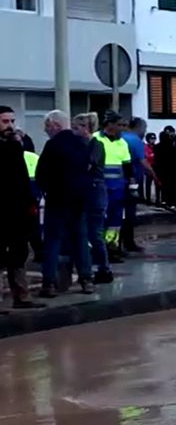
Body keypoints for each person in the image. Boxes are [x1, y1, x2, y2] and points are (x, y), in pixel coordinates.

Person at [36, 110, 94, 297]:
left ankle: (49, 283)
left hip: (58, 199)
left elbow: (41, 173)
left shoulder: (53, 145)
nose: (46, 130)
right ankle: (86, 280)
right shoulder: (82, 143)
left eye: (47, 126)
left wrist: (46, 189)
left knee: (53, 240)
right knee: (80, 239)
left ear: (55, 125)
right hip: (80, 199)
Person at [0, 105, 42, 309]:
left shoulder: (16, 146)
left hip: (18, 209)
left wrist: (29, 204)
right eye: (5, 122)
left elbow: (22, 177)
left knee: (18, 253)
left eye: (12, 121)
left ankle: (22, 297)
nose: (10, 126)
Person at [73, 112, 113, 284]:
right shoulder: (83, 144)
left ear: (85, 128)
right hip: (89, 190)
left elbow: (87, 165)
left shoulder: (94, 145)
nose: (74, 131)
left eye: (76, 128)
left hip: (94, 190)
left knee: (94, 232)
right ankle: (94, 267)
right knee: (88, 232)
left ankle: (104, 269)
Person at [96, 112, 133, 263]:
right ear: (110, 124)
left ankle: (112, 248)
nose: (122, 128)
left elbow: (127, 166)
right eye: (119, 125)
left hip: (118, 189)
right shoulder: (96, 139)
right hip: (100, 188)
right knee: (100, 220)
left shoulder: (122, 143)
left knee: (115, 221)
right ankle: (99, 250)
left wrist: (132, 185)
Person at [121, 117, 157, 254]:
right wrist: (154, 176)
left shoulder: (120, 138)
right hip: (132, 182)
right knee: (130, 213)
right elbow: (143, 162)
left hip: (118, 182)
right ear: (139, 128)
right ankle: (128, 243)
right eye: (144, 128)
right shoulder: (136, 141)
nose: (145, 131)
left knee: (117, 214)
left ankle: (116, 244)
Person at [21, 136, 43, 263]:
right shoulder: (34, 157)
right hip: (33, 196)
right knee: (33, 225)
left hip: (25, 195)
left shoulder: (26, 157)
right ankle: (39, 251)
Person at [144, 132, 159, 204]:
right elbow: (147, 156)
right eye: (151, 139)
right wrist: (153, 155)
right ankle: (148, 199)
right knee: (148, 183)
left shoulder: (156, 147)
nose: (153, 140)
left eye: (154, 138)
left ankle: (158, 199)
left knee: (157, 182)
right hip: (149, 165)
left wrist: (153, 156)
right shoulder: (145, 147)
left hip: (156, 166)